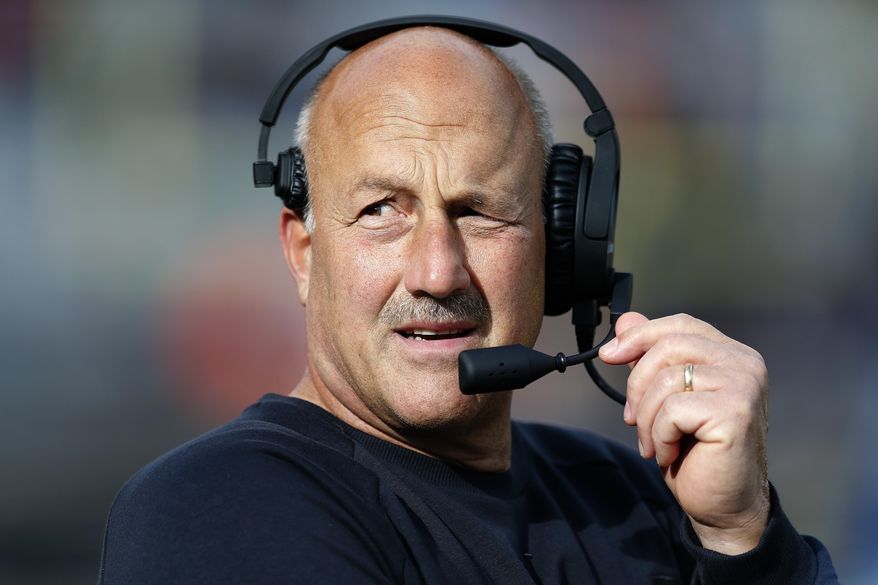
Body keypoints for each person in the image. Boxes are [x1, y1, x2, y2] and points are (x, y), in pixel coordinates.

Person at [98, 25, 839, 584]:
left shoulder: (635, 496)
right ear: (303, 251)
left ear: (559, 249)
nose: (437, 271)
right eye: (383, 209)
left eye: (481, 211)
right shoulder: (214, 505)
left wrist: (742, 539)